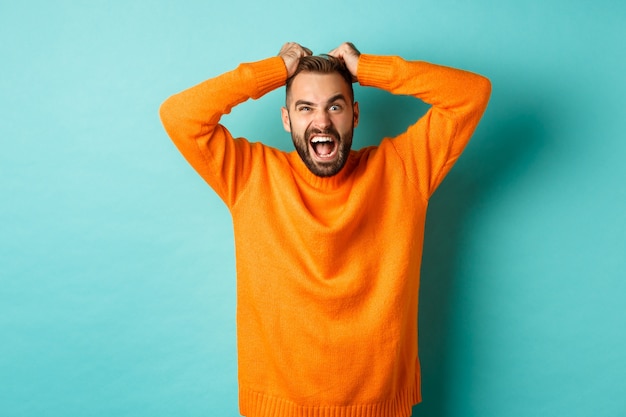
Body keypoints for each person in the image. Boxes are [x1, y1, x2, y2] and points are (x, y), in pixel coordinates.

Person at [160, 41, 491, 417]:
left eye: (334, 106)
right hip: (278, 408)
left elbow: (471, 93)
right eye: (305, 108)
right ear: (287, 120)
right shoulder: (250, 175)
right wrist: (274, 70)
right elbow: (179, 115)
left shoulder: (403, 168)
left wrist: (366, 68)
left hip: (378, 406)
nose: (322, 122)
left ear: (355, 114)